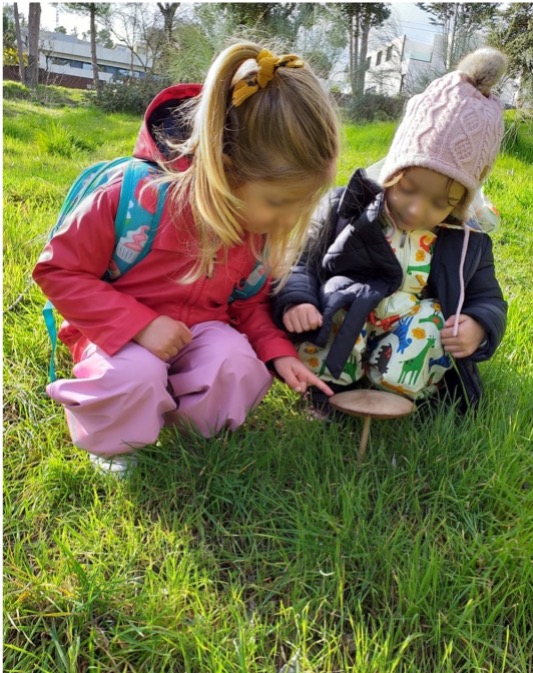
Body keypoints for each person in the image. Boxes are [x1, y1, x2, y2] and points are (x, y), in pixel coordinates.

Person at [33, 42, 340, 472]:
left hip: (198, 333)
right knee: (134, 375)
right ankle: (115, 441)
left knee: (237, 364)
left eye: (298, 206)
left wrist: (278, 352)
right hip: (118, 336)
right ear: (226, 167)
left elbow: (247, 304)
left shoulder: (253, 230)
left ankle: (187, 431)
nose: (285, 219)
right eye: (277, 202)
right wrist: (140, 325)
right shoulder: (135, 196)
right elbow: (59, 269)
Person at [273, 47, 508, 417]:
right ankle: (325, 388)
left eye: (439, 203)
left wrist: (479, 324)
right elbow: (299, 258)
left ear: (461, 204)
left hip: (407, 336)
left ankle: (400, 390)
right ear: (391, 172)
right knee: (338, 299)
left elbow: (489, 298)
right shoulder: (346, 208)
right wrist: (297, 300)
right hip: (349, 323)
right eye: (408, 189)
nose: (416, 210)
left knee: (432, 320)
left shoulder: (468, 243)